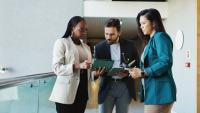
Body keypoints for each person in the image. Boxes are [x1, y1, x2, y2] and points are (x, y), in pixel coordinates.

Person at [129, 8, 177, 113]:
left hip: (160, 93)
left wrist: (142, 72)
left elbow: (166, 62)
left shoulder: (160, 37)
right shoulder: (151, 41)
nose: (141, 26)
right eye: (140, 24)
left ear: (154, 23)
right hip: (153, 92)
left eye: (143, 23)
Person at [93, 18, 139, 113]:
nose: (108, 37)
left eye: (112, 34)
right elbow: (94, 71)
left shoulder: (130, 45)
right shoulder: (99, 48)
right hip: (107, 86)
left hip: (125, 86)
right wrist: (97, 74)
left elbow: (137, 65)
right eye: (106, 34)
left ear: (119, 32)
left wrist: (128, 73)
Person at [49, 16, 92, 113]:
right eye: (81, 29)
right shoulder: (61, 42)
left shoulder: (86, 47)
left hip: (82, 93)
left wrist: (95, 74)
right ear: (72, 28)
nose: (84, 32)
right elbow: (56, 68)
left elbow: (87, 70)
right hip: (65, 93)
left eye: (85, 29)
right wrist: (77, 66)